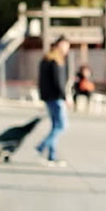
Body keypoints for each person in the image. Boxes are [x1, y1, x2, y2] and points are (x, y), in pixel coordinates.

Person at [36, 36, 71, 166]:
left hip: (48, 97)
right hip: (56, 98)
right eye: (66, 46)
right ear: (60, 45)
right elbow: (59, 82)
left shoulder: (46, 58)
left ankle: (51, 156)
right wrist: (65, 97)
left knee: (55, 126)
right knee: (62, 125)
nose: (67, 49)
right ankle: (42, 146)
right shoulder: (56, 61)